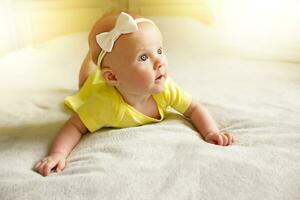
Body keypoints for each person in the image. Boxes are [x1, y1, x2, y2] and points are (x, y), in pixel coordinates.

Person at [34, 12, 234, 176]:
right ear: (112, 76)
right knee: (86, 81)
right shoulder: (104, 104)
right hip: (96, 86)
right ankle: (89, 58)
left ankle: (96, 60)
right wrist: (57, 154)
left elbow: (193, 108)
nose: (159, 62)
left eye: (160, 50)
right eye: (144, 57)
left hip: (109, 76)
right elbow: (75, 126)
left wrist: (210, 132)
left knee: (96, 74)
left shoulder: (164, 88)